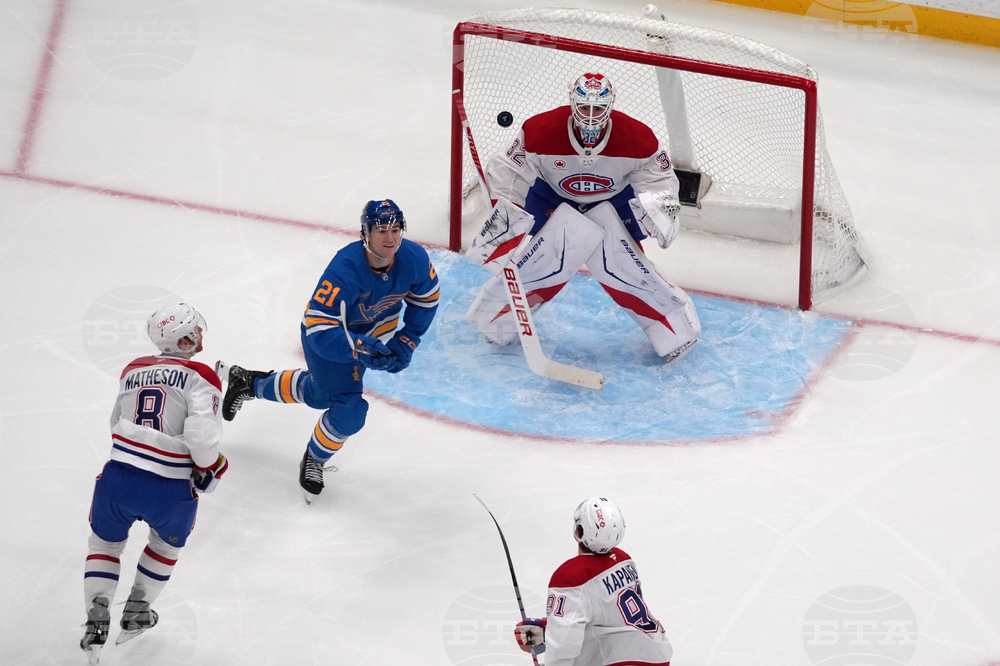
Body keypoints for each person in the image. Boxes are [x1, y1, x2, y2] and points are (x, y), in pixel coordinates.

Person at [466, 72, 700, 363]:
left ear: (611, 106)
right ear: (572, 102)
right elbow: (508, 170)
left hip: (613, 201)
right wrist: (506, 220)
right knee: (542, 263)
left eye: (598, 108)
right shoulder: (540, 129)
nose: (591, 116)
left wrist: (661, 213)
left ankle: (675, 328)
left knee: (625, 268)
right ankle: (496, 320)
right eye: (585, 107)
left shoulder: (637, 138)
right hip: (552, 196)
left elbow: (660, 180)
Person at [219, 199, 440, 503]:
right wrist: (362, 349)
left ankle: (249, 383)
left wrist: (408, 339)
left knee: (322, 394)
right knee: (349, 409)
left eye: (396, 229)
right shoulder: (345, 269)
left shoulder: (413, 257)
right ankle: (314, 459)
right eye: (381, 230)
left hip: (371, 336)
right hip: (331, 340)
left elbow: (426, 299)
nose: (390, 238)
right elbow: (319, 330)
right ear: (365, 233)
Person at [80, 303, 227, 665]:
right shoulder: (200, 374)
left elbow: (116, 417)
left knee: (104, 543)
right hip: (170, 488)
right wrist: (211, 467)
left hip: (118, 477)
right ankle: (138, 610)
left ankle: (97, 616)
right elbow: (201, 435)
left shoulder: (133, 369)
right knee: (165, 546)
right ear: (189, 337)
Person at [512, 497, 673, 666]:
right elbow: (609, 616)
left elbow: (563, 646)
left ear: (578, 531)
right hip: (653, 654)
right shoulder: (623, 559)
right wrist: (548, 629)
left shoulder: (571, 576)